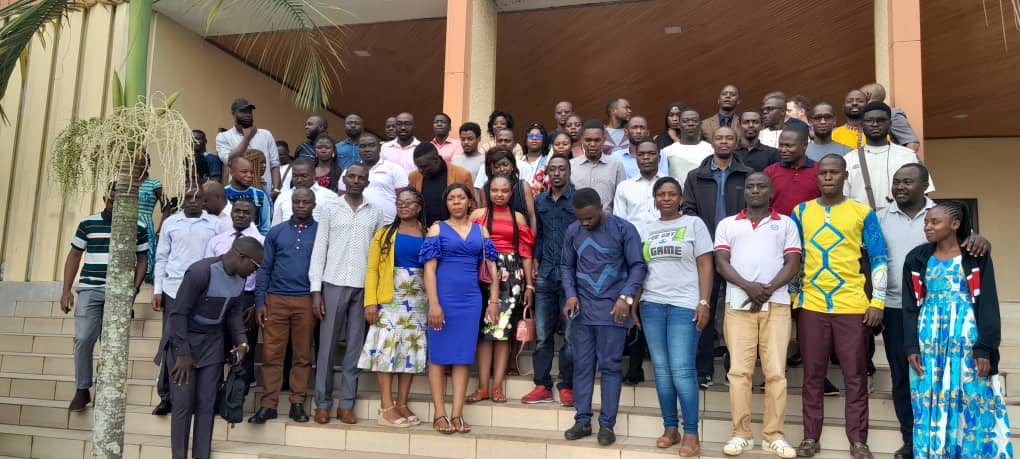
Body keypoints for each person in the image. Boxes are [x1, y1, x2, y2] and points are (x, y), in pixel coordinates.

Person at [877, 164, 989, 458]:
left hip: (951, 319)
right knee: (904, 377)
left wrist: (982, 239)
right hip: (897, 307)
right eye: (896, 182)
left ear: (925, 185)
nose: (900, 187)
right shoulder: (880, 216)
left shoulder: (943, 212)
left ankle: (959, 441)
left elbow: (970, 245)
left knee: (954, 380)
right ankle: (913, 439)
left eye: (908, 182)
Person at [791, 154, 888, 459]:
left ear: (845, 176)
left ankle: (858, 440)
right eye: (823, 173)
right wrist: (795, 297)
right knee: (812, 375)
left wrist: (878, 301)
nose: (828, 177)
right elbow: (793, 257)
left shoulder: (862, 212)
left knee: (855, 376)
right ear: (816, 176)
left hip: (852, 305)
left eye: (835, 172)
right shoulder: (801, 212)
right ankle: (810, 437)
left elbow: (879, 258)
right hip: (812, 304)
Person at [902, 201, 1011, 459]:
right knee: (929, 395)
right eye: (926, 222)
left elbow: (988, 303)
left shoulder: (975, 257)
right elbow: (910, 306)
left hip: (965, 335)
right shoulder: (917, 258)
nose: (927, 227)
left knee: (971, 396)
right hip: (929, 337)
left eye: (934, 222)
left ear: (954, 224)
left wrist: (985, 348)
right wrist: (911, 345)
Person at [714, 173, 801, 458]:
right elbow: (721, 262)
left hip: (776, 305)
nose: (755, 190)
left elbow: (793, 262)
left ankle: (773, 436)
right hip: (738, 306)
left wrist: (767, 289)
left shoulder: (785, 223)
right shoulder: (728, 224)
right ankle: (741, 434)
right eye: (750, 186)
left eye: (761, 186)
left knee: (776, 373)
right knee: (739, 372)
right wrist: (749, 287)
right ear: (744, 192)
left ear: (771, 191)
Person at [561, 188, 646, 447]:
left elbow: (638, 266)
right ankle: (582, 420)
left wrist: (625, 298)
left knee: (610, 367)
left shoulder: (624, 229)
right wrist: (570, 294)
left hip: (613, 311)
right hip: (582, 312)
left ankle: (607, 425)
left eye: (589, 217)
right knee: (582, 366)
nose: (585, 223)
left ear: (601, 208)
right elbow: (567, 265)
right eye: (580, 218)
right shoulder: (573, 230)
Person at [164, 237, 262, 459]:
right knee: (183, 405)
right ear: (242, 257)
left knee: (207, 406)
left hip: (213, 346)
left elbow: (234, 315)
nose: (255, 271)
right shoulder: (200, 272)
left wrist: (242, 342)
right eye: (255, 266)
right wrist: (183, 353)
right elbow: (178, 314)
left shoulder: (240, 280)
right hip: (185, 343)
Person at [637, 177, 712, 456]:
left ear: (681, 199)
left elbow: (705, 265)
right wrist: (633, 303)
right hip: (652, 304)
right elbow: (640, 268)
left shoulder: (694, 224)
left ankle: (691, 432)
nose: (666, 198)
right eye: (661, 194)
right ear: (655, 199)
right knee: (661, 369)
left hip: (685, 305)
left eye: (672, 194)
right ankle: (671, 428)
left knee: (682, 369)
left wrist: (704, 302)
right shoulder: (646, 227)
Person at [310, 163, 387, 425]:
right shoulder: (330, 208)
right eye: (351, 176)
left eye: (360, 177)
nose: (355, 180)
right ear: (344, 180)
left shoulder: (375, 212)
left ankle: (346, 404)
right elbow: (319, 249)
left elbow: (379, 255)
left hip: (363, 287)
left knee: (355, 346)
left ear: (367, 183)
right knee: (327, 347)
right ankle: (322, 403)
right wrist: (316, 290)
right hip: (333, 282)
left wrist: (375, 293)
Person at [421, 183, 499, 434]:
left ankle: (457, 414)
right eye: (451, 198)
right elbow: (429, 269)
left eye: (461, 198)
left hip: (471, 301)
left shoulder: (481, 230)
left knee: (463, 356)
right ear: (446, 204)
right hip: (443, 299)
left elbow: (492, 268)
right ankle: (439, 413)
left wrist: (494, 301)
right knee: (438, 356)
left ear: (469, 202)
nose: (456, 202)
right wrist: (434, 303)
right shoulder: (437, 229)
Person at [62, 184, 148, 411]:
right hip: (90, 289)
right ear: (105, 198)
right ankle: (82, 389)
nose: (116, 204)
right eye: (112, 200)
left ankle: (105, 386)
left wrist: (133, 290)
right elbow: (74, 255)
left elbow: (142, 259)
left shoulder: (138, 226)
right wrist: (66, 290)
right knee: (83, 338)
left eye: (122, 200)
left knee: (111, 342)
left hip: (120, 292)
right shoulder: (88, 223)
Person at [681, 126, 754, 387]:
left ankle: (735, 368)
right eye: (719, 138)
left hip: (738, 252)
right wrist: (703, 239)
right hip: (705, 253)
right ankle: (703, 369)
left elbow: (753, 208)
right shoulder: (695, 176)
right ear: (711, 142)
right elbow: (689, 211)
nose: (724, 142)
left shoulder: (748, 174)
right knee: (705, 309)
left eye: (729, 138)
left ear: (736, 142)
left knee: (737, 310)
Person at [358, 188, 428, 427]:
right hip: (389, 299)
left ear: (419, 207)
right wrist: (370, 301)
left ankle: (402, 403)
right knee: (387, 349)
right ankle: (386, 406)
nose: (403, 206)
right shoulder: (385, 234)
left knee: (411, 349)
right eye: (400, 202)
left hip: (419, 301)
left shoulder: (428, 233)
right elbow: (372, 269)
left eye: (409, 202)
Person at [151, 187, 224, 416]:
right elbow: (161, 257)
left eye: (197, 197)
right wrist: (158, 289)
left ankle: (194, 397)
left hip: (203, 292)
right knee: (170, 342)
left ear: (204, 200)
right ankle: (166, 396)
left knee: (199, 342)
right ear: (182, 200)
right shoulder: (170, 223)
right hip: (173, 289)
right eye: (188, 197)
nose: (192, 201)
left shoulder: (216, 224)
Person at [250, 187, 318, 424]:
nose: (301, 206)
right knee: (272, 354)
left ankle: (297, 403)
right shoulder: (276, 232)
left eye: (306, 202)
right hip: (276, 299)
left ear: (314, 205)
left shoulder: (321, 232)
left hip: (306, 300)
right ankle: (268, 404)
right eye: (297, 202)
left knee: (302, 354)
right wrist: (260, 301)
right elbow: (265, 268)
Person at [466, 175, 535, 403]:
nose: (499, 194)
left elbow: (525, 251)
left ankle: (497, 386)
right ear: (488, 191)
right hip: (482, 273)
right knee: (484, 333)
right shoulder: (478, 215)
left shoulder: (518, 217)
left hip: (511, 274)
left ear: (511, 193)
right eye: (495, 190)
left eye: (504, 191)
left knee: (503, 332)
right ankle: (482, 386)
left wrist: (529, 284)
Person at [522, 154, 576, 406]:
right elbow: (539, 235)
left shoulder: (578, 199)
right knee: (543, 335)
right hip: (545, 275)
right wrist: (535, 261)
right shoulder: (540, 201)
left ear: (569, 172)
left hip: (571, 278)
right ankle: (542, 385)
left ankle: (567, 385)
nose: (556, 173)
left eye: (561, 169)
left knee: (571, 335)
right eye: (552, 169)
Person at [204, 197, 264, 389]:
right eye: (237, 211)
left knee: (244, 344)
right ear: (231, 213)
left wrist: (256, 303)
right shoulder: (217, 240)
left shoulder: (261, 242)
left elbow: (264, 276)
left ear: (254, 216)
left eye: (246, 212)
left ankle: (239, 392)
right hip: (218, 298)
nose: (241, 215)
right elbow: (208, 270)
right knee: (218, 343)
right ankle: (214, 386)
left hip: (246, 299)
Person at [844, 102, 934, 210]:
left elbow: (924, 192)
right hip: (861, 218)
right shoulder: (849, 159)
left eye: (881, 120)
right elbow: (843, 196)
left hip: (900, 217)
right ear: (862, 125)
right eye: (869, 120)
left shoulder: (908, 156)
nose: (875, 124)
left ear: (890, 124)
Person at [215, 98, 281, 199]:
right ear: (233, 113)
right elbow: (229, 160)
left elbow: (275, 164)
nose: (247, 114)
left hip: (265, 194)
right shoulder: (223, 137)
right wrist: (247, 138)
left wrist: (275, 189)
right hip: (238, 195)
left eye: (249, 111)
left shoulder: (266, 135)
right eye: (242, 111)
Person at [409, 142, 475, 227]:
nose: (420, 170)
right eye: (418, 167)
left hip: (454, 230)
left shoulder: (461, 175)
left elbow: (472, 208)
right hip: (423, 230)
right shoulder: (414, 177)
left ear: (436, 160)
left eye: (424, 166)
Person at [570, 120, 626, 212]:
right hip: (578, 219)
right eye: (588, 140)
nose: (592, 144)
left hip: (608, 219)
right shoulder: (571, 165)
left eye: (597, 140)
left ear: (604, 140)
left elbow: (621, 198)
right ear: (581, 140)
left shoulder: (616, 165)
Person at [764, 123, 819, 216]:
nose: (783, 150)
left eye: (788, 146)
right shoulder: (770, 172)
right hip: (776, 224)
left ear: (804, 145)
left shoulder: (819, 171)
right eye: (780, 145)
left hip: (809, 224)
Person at [475, 147, 537, 231]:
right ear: (491, 169)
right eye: (497, 166)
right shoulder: (485, 189)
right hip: (494, 234)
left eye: (505, 165)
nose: (502, 169)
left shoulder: (523, 186)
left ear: (512, 166)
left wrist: (532, 236)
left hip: (521, 234)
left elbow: (532, 216)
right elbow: (484, 217)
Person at [353, 132, 409, 222]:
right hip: (358, 224)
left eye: (371, 145)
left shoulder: (394, 168)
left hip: (388, 224)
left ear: (379, 148)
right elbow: (343, 197)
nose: (367, 149)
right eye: (363, 146)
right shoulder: (350, 171)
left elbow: (405, 198)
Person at [273, 156, 341, 225]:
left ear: (314, 174)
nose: (299, 180)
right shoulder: (283, 197)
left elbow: (336, 225)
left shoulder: (329, 196)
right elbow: (276, 225)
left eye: (304, 176)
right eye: (295, 176)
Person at [614, 140, 664, 230]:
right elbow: (619, 222)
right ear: (636, 158)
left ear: (659, 158)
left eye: (651, 153)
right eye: (641, 154)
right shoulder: (624, 187)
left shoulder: (673, 184)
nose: (646, 157)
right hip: (634, 238)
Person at [860, 83, 920, 152]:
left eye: (860, 96)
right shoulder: (863, 115)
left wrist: (903, 158)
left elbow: (913, 143)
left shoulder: (892, 114)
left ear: (867, 95)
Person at [664, 107, 715, 184]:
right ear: (679, 125)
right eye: (685, 121)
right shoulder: (667, 152)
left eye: (694, 121)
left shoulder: (711, 150)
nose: (690, 124)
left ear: (700, 124)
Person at [224, 156, 272, 234]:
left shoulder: (260, 195)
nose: (249, 175)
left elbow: (265, 227)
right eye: (244, 172)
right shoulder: (223, 193)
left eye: (252, 172)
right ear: (232, 172)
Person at [138, 171, 163, 283]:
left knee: (145, 255)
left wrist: (160, 230)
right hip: (127, 223)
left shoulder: (155, 184)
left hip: (145, 224)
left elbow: (166, 207)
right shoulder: (127, 182)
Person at [521, 123, 552, 193]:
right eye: (531, 136)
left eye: (538, 136)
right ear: (526, 140)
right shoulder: (519, 160)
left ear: (544, 140)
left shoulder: (548, 161)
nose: (534, 138)